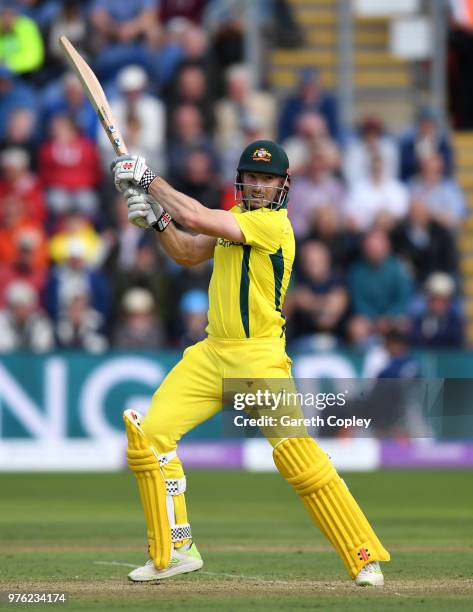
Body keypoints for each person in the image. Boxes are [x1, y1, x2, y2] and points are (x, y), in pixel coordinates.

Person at [110, 139, 389, 585]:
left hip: (259, 358)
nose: (259, 187)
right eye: (252, 178)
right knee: (152, 437)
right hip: (211, 353)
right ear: (241, 182)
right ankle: (176, 548)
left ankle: (363, 556)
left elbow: (199, 216)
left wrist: (149, 181)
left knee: (299, 461)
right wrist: (158, 222)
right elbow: (185, 251)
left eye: (267, 179)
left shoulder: (275, 226)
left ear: (282, 186)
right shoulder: (235, 221)